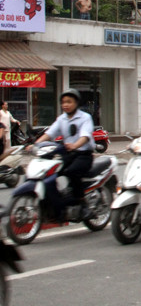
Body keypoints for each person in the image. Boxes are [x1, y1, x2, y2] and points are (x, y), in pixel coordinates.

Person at [33, 89, 96, 219]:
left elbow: (85, 136)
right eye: (63, 102)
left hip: (83, 154)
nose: (65, 105)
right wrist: (35, 145)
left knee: (71, 172)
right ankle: (57, 202)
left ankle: (82, 203)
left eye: (69, 102)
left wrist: (75, 145)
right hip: (68, 154)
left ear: (76, 103)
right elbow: (49, 134)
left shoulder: (85, 118)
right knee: (49, 172)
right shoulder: (61, 119)